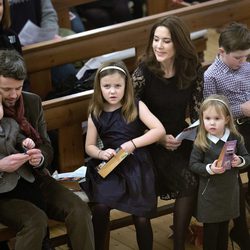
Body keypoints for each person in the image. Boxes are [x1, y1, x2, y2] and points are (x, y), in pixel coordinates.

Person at [0, 49, 94, 250]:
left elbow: (46, 146)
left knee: (79, 209)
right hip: (3, 192)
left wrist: (40, 157)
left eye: (18, 87)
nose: (14, 95)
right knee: (35, 222)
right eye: (6, 89)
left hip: (35, 178)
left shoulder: (32, 102)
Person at [132, 15, 204, 250]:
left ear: (179, 44)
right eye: (156, 39)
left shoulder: (191, 68)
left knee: (192, 179)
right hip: (147, 139)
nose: (158, 46)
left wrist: (193, 134)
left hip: (177, 137)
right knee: (148, 194)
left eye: (166, 41)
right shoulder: (144, 71)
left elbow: (196, 111)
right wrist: (158, 137)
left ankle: (180, 242)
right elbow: (128, 113)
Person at [80, 61, 166, 250]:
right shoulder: (96, 112)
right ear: (99, 87)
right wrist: (101, 153)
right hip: (111, 166)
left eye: (117, 86)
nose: (112, 91)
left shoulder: (136, 106)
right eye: (107, 86)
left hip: (137, 166)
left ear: (126, 86)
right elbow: (89, 146)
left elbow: (159, 130)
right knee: (101, 208)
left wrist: (133, 144)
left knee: (142, 218)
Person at [203, 22, 250, 250]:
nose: (243, 62)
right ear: (221, 52)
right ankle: (240, 229)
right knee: (233, 176)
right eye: (238, 58)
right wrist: (242, 109)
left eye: (246, 57)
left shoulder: (248, 67)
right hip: (231, 131)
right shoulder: (211, 75)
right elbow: (212, 112)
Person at [189, 94, 250, 250]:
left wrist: (240, 161)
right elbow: (193, 165)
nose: (212, 123)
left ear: (227, 119)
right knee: (211, 232)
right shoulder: (201, 140)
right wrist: (210, 168)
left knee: (224, 229)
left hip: (228, 194)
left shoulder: (234, 137)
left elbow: (247, 158)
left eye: (217, 118)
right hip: (210, 195)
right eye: (208, 118)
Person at [9, 0, 78, 92]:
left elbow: (49, 14)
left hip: (39, 44)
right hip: (10, 52)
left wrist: (48, 34)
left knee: (68, 74)